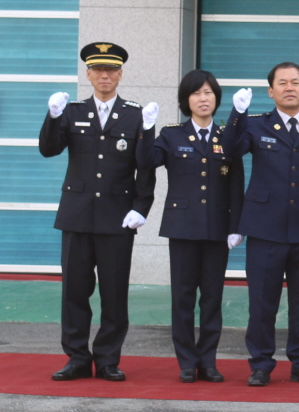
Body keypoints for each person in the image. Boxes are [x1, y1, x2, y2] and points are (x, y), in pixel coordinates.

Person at [38, 42, 158, 382]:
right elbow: (49, 149)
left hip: (117, 218)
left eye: (111, 70)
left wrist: (141, 207)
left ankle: (107, 359)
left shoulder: (135, 115)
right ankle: (77, 357)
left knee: (114, 293)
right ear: (88, 74)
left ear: (120, 74)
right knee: (74, 292)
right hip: (77, 216)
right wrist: (53, 117)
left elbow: (145, 166)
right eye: (98, 70)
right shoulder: (72, 111)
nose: (105, 75)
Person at [222, 62, 299, 387]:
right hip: (265, 228)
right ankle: (261, 364)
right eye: (282, 83)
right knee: (262, 302)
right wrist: (236, 114)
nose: (289, 88)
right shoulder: (254, 124)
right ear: (271, 91)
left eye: (295, 82)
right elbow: (229, 150)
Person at [145, 69, 244, 383]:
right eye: (197, 93)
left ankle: (208, 360)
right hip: (183, 227)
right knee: (183, 297)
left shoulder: (227, 136)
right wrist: (146, 130)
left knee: (212, 298)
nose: (204, 98)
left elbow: (236, 184)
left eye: (209, 92)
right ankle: (187, 361)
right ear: (186, 100)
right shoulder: (172, 134)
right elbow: (148, 161)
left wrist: (236, 226)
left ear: (216, 98)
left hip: (217, 227)